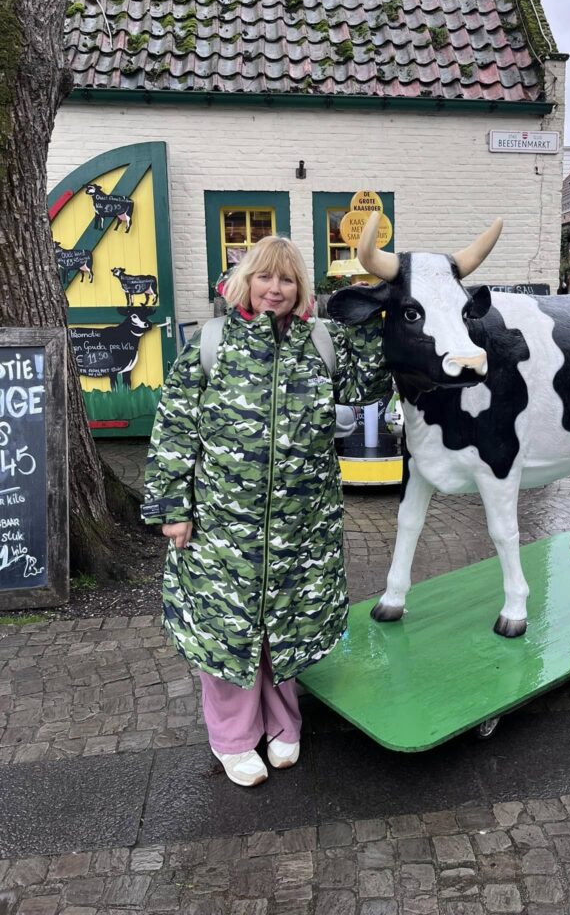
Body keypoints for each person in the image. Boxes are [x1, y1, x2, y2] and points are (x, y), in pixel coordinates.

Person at [142, 237, 389, 787]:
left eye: (286, 280)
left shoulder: (322, 344)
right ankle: (233, 737)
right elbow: (175, 430)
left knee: (285, 627)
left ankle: (282, 722)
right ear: (245, 282)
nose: (274, 289)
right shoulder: (211, 344)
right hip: (222, 526)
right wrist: (171, 508)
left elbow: (370, 387)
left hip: (303, 527)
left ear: (300, 289)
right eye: (264, 278)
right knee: (228, 629)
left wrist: (372, 321)